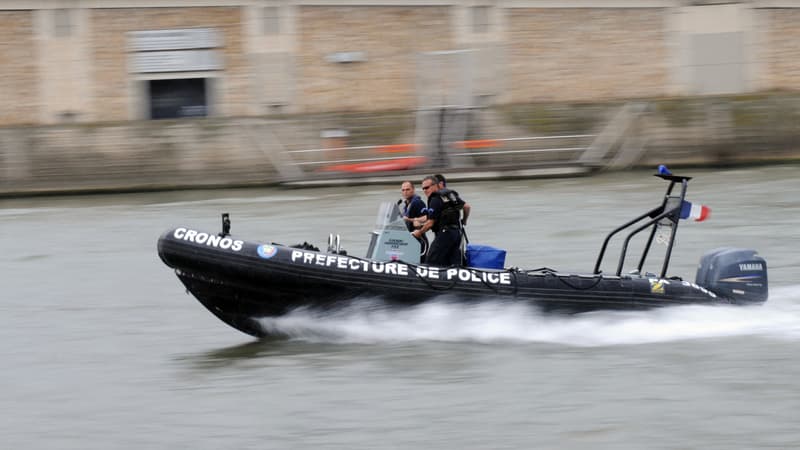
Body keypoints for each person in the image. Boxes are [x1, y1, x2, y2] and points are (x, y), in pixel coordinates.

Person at [412, 175, 470, 266]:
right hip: (456, 233)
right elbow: (466, 207)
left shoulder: (435, 199)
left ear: (435, 185)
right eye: (423, 188)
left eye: (427, 187)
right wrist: (464, 220)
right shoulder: (449, 195)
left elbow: (430, 223)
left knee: (431, 260)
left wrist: (419, 232)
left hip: (444, 234)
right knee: (453, 262)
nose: (425, 190)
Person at [399, 181, 429, 262]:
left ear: (413, 190)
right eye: (403, 190)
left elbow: (427, 217)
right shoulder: (406, 204)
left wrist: (416, 220)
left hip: (419, 241)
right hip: (409, 240)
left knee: (420, 263)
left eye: (407, 189)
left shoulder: (418, 203)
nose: (405, 192)